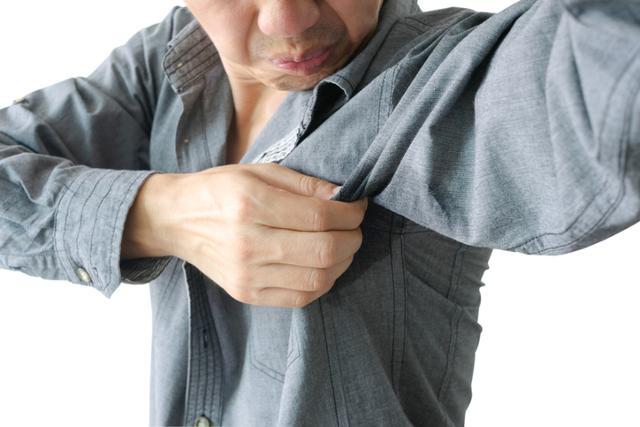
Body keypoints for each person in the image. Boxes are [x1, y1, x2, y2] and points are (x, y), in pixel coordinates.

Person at [0, 0, 638, 426]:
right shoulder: (170, 59)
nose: (288, 19)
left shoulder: (443, 77)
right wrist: (161, 214)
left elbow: (602, 78)